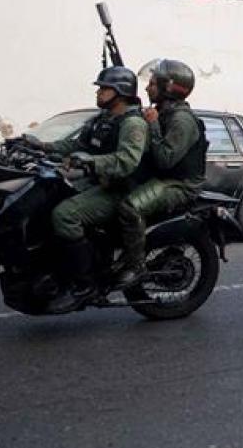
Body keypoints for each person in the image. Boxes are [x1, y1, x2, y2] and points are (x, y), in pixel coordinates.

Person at [27, 66, 149, 314]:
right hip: (98, 184)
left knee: (65, 215)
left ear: (121, 92)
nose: (99, 92)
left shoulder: (133, 123)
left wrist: (90, 161)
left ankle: (83, 285)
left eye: (104, 88)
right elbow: (76, 144)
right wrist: (41, 146)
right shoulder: (102, 120)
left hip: (121, 190)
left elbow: (127, 161)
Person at [117, 59, 209, 289]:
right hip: (161, 178)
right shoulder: (162, 112)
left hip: (179, 184)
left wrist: (154, 125)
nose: (147, 88)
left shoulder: (182, 120)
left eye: (152, 84)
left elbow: (165, 160)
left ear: (169, 88)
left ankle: (136, 266)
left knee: (130, 207)